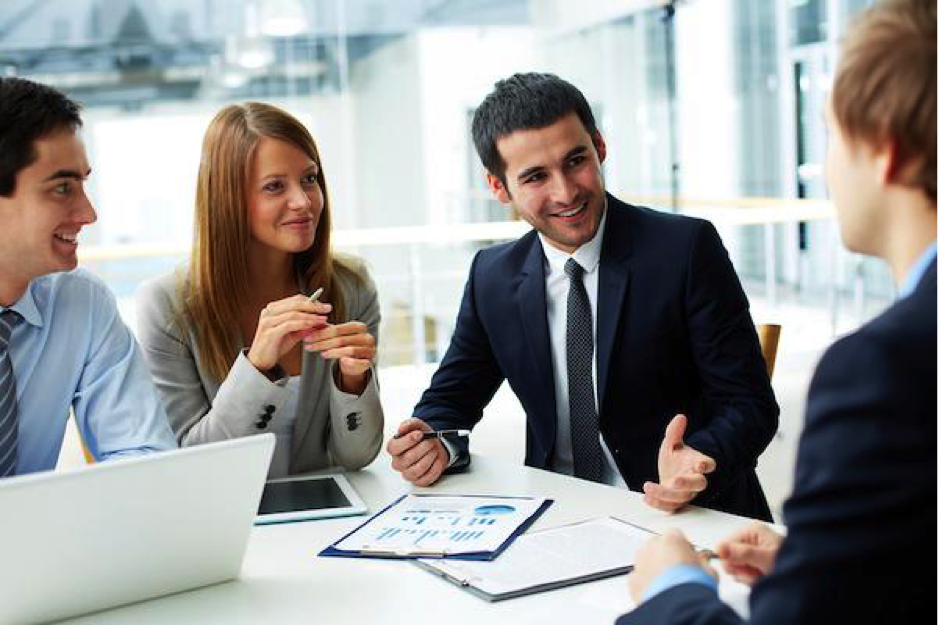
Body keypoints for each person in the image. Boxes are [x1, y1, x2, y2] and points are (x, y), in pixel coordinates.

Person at [621, 1, 938, 622]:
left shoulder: (883, 369)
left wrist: (672, 588)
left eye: (830, 132)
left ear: (886, 151)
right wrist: (820, 560)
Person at [387, 72, 779, 520]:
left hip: (682, 512)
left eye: (576, 160)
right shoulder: (491, 276)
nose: (566, 192)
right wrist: (432, 442)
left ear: (600, 146)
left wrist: (699, 459)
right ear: (499, 188)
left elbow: (749, 406)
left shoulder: (685, 250)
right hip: (556, 513)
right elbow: (450, 401)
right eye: (535, 176)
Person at [136, 102, 383, 477]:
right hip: (221, 519)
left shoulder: (351, 287)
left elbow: (357, 456)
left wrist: (353, 381)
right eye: (274, 186)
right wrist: (256, 367)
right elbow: (191, 464)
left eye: (310, 179)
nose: (303, 201)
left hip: (324, 518)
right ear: (228, 199)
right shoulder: (168, 306)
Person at [0, 77, 176, 477]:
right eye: (62, 188)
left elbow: (142, 454)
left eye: (82, 183)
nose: (88, 214)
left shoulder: (81, 303)